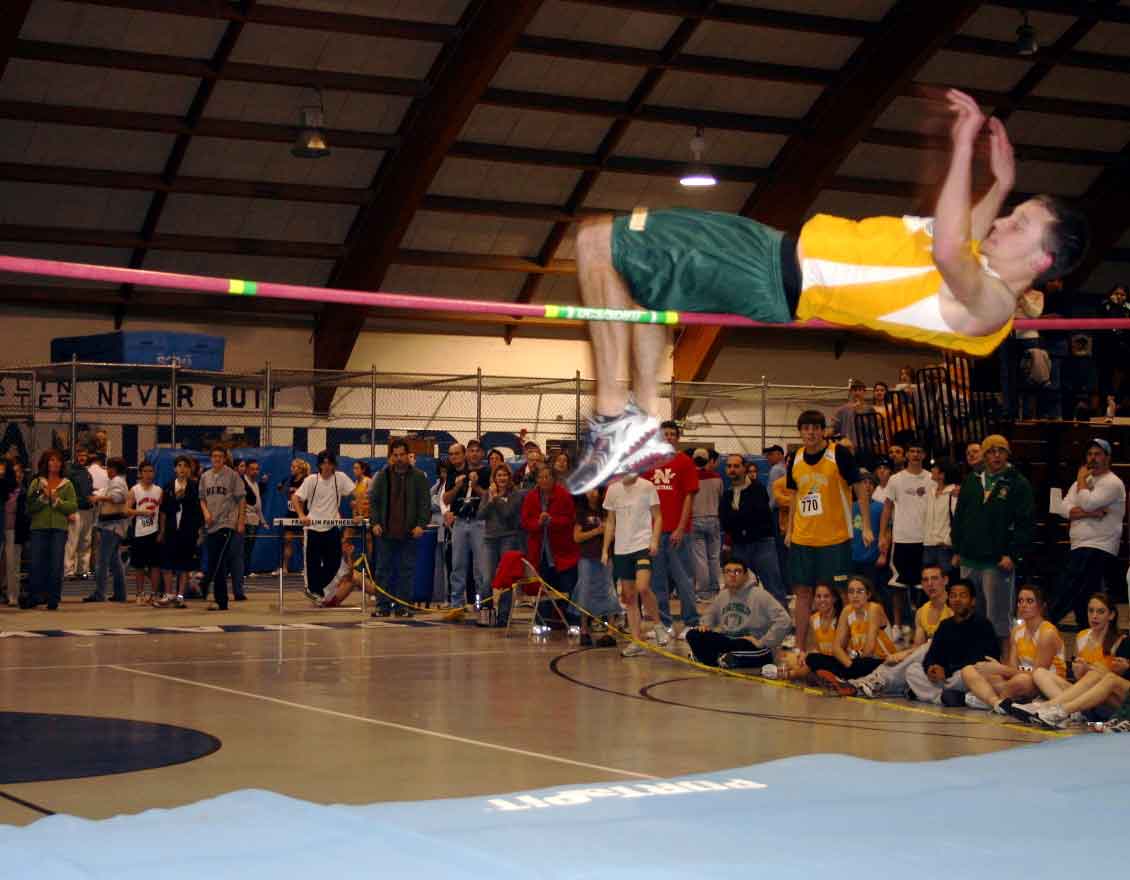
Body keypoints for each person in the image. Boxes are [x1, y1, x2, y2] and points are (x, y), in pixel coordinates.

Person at [568, 90, 1088, 496]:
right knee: (631, 284)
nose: (1003, 222)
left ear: (1041, 262)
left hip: (767, 273)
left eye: (1020, 225)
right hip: (769, 250)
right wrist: (998, 183)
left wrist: (963, 147)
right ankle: (639, 420)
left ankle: (616, 420)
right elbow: (965, 235)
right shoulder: (982, 269)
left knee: (596, 244)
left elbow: (951, 248)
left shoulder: (993, 306)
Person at [785, 409, 872, 652]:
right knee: (803, 593)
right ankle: (800, 647)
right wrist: (789, 529)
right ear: (800, 432)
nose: (811, 433)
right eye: (806, 429)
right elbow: (794, 496)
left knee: (843, 593)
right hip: (803, 538)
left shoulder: (839, 454)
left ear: (823, 431)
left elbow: (860, 489)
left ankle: (850, 646)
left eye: (815, 428)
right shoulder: (795, 458)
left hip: (835, 539)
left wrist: (866, 526)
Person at [951, 434, 1034, 650]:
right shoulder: (972, 480)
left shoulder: (1018, 483)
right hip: (969, 558)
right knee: (969, 615)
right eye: (991, 451)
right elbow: (959, 516)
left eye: (1001, 451)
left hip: (997, 561)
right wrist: (957, 548)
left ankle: (1003, 660)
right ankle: (972, 657)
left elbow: (1025, 523)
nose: (996, 456)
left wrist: (1013, 554)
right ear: (984, 455)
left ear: (1008, 454)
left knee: (998, 619)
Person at [1049, 438, 1125, 627]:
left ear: (1107, 458)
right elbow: (1062, 508)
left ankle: (1045, 623)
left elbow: (1087, 502)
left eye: (1098, 454)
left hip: (1099, 546)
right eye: (1090, 454)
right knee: (1083, 598)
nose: (1092, 458)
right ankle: (1086, 633)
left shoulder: (1113, 483)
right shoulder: (1080, 483)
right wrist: (1090, 513)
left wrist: (1082, 482)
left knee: (1069, 588)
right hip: (1079, 545)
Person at [849, 563, 953, 698]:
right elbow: (917, 647)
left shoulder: (954, 606)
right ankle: (867, 683)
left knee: (929, 645)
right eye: (925, 580)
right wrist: (901, 655)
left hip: (950, 661)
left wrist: (905, 654)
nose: (930, 584)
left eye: (934, 578)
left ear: (945, 580)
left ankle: (875, 681)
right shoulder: (921, 612)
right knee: (907, 666)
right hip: (929, 660)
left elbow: (943, 645)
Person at [961, 585, 1065, 715]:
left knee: (1023, 681)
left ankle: (987, 697)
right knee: (968, 670)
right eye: (1020, 601)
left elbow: (1038, 675)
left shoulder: (1047, 632)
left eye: (1029, 601)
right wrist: (996, 669)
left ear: (1042, 606)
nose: (1023, 605)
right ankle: (997, 703)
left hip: (1043, 685)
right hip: (1015, 682)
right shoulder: (1017, 631)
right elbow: (1012, 669)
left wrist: (1001, 669)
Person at [643, 421, 701, 637]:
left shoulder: (684, 462)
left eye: (672, 434)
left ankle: (691, 623)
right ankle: (664, 625)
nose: (668, 437)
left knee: (684, 579)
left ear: (677, 438)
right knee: (657, 581)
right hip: (654, 533)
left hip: (678, 532)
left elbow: (689, 497)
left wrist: (680, 528)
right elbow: (644, 498)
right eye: (664, 434)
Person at [904, 579, 1000, 705]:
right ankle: (945, 697)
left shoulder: (983, 624)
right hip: (943, 678)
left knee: (967, 673)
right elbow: (932, 654)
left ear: (972, 601)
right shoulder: (945, 625)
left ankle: (933, 694)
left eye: (962, 596)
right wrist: (931, 668)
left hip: (964, 676)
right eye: (953, 596)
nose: (957, 600)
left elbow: (980, 659)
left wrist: (946, 671)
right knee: (913, 670)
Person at [686, 556, 791, 670]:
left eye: (737, 571)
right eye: (728, 571)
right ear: (724, 575)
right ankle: (719, 659)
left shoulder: (760, 595)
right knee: (693, 634)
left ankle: (713, 658)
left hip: (750, 642)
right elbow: (710, 614)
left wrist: (763, 642)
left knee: (751, 650)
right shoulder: (723, 595)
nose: (732, 575)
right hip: (729, 639)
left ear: (745, 576)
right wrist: (706, 625)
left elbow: (784, 620)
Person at [602, 470, 663, 657]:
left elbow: (658, 517)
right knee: (629, 597)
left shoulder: (647, 486)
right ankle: (636, 641)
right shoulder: (612, 490)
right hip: (621, 549)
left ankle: (658, 624)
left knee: (642, 587)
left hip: (642, 545)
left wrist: (654, 540)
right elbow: (610, 522)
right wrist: (605, 549)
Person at [368, 441, 430, 617]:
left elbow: (424, 504)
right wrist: (375, 523)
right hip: (385, 531)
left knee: (406, 571)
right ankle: (382, 606)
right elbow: (374, 502)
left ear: (408, 455)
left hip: (409, 532)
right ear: (391, 456)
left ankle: (403, 607)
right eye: (395, 455)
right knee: (382, 570)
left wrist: (421, 525)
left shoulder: (419, 477)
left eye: (402, 455)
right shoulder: (382, 476)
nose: (399, 458)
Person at [877, 438, 931, 637]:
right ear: (906, 455)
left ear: (924, 455)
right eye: (912, 451)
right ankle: (897, 626)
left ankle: (921, 627)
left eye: (919, 451)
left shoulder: (931, 479)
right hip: (901, 540)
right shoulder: (896, 479)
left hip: (925, 540)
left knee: (923, 587)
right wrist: (882, 535)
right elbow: (887, 508)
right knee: (898, 585)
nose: (915, 455)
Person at [805, 575, 896, 691]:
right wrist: (849, 665)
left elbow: (869, 649)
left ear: (868, 595)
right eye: (851, 592)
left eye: (860, 592)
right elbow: (836, 648)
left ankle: (842, 678)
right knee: (812, 658)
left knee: (862, 664)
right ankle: (845, 679)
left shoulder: (874, 608)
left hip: (880, 661)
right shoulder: (847, 611)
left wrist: (852, 666)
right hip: (855, 663)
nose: (855, 596)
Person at [720, 453, 785, 605]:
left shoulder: (757, 489)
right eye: (729, 466)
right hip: (739, 546)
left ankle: (782, 617)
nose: (732, 469)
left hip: (762, 544)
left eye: (736, 466)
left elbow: (758, 516)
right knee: (738, 588)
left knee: (773, 586)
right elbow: (725, 521)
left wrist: (737, 516)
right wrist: (740, 517)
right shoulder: (727, 494)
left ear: (744, 468)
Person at [520, 465, 578, 622]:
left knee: (567, 587)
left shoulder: (563, 495)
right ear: (537, 480)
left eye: (547, 477)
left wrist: (552, 521)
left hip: (563, 551)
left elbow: (570, 519)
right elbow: (525, 522)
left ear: (554, 479)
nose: (544, 480)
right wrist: (538, 522)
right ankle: (544, 622)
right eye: (541, 477)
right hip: (540, 552)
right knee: (544, 588)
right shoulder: (531, 497)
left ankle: (571, 622)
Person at [24, 449, 77, 610]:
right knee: (36, 563)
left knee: (56, 564)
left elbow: (72, 506)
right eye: (52, 460)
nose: (55, 463)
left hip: (59, 529)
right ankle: (34, 596)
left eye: (58, 460)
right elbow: (30, 507)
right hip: (39, 528)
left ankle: (53, 598)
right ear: (46, 463)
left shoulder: (67, 484)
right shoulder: (36, 483)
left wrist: (57, 501)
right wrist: (43, 498)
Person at [200, 446, 248, 611]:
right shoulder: (205, 476)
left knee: (219, 560)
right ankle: (205, 587)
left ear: (225, 459)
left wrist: (240, 521)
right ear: (211, 458)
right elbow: (202, 498)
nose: (217, 459)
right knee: (214, 560)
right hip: (211, 524)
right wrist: (206, 513)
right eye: (214, 456)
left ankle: (220, 599)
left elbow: (241, 499)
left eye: (220, 456)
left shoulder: (233, 476)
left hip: (227, 523)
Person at [444, 441, 491, 609]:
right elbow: (446, 499)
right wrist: (457, 486)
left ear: (482, 454)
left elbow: (489, 497)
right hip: (460, 522)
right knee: (457, 565)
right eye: (471, 451)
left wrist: (475, 486)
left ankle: (481, 604)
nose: (474, 454)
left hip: (480, 522)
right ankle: (456, 604)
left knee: (481, 568)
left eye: (477, 451)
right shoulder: (455, 474)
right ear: (466, 454)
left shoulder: (488, 472)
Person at [572, 486, 618, 647]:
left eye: (595, 490)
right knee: (584, 591)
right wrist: (597, 531)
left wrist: (608, 533)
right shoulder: (581, 513)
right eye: (588, 490)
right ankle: (584, 629)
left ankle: (611, 630)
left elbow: (614, 534)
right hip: (587, 557)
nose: (592, 493)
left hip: (605, 558)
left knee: (608, 590)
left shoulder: (606, 511)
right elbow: (577, 537)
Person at [155, 454, 202, 608]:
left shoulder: (195, 487)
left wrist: (198, 530)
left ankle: (180, 596)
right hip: (170, 530)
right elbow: (163, 511)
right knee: (167, 564)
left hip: (187, 531)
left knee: (184, 565)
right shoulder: (168, 486)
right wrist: (162, 531)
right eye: (179, 466)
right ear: (175, 469)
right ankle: (168, 594)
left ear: (190, 469)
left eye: (185, 466)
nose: (182, 469)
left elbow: (198, 511)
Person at [86, 456, 128, 603]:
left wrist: (99, 498)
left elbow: (118, 497)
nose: (107, 470)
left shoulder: (117, 481)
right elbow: (111, 493)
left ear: (114, 469)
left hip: (111, 525)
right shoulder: (118, 481)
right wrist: (99, 494)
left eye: (109, 468)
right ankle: (120, 594)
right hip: (114, 526)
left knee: (102, 561)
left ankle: (100, 593)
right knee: (115, 561)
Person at [779, 583, 841, 682]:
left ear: (834, 599)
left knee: (812, 662)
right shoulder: (813, 619)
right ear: (814, 599)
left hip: (836, 663)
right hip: (819, 661)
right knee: (788, 657)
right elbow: (813, 648)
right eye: (818, 596)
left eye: (826, 596)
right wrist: (803, 656)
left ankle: (791, 674)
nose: (822, 600)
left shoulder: (840, 618)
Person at [126, 460, 163, 604]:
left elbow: (162, 513)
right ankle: (139, 594)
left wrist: (162, 531)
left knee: (155, 565)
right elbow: (126, 510)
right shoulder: (135, 490)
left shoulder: (158, 490)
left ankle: (154, 594)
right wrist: (141, 512)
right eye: (145, 471)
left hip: (154, 531)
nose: (148, 474)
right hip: (139, 532)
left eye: (151, 471)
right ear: (140, 473)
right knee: (139, 566)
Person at [690, 447, 723, 598]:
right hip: (713, 518)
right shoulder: (717, 478)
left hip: (695, 519)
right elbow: (720, 496)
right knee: (714, 556)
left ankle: (703, 591)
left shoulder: (690, 477)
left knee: (700, 557)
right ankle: (715, 587)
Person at [922, 457, 960, 575]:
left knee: (946, 580)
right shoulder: (931, 491)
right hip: (928, 545)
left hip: (944, 547)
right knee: (929, 581)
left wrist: (947, 540)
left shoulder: (954, 492)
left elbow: (958, 520)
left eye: (935, 468)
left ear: (942, 474)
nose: (932, 470)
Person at [850, 469, 884, 598]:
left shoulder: (880, 507)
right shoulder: (851, 506)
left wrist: (883, 555)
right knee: (853, 592)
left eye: (871, 483)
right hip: (853, 557)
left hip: (872, 558)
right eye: (864, 482)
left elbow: (886, 532)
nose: (868, 486)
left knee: (872, 593)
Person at [63, 447, 95, 579]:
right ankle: (68, 571)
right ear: (75, 456)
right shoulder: (69, 472)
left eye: (85, 455)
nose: (82, 458)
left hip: (87, 509)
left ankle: (83, 570)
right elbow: (65, 492)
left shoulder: (87, 472)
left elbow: (88, 490)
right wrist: (68, 511)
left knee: (86, 541)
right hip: (75, 509)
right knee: (72, 541)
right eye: (80, 455)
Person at [2, 459, 28, 605]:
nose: (17, 474)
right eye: (14, 472)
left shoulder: (23, 491)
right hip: (2, 529)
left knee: (13, 565)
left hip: (15, 531)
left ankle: (13, 595)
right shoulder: (4, 489)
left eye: (19, 471)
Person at [280, 458, 310, 574]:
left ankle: (306, 567)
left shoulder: (306, 480)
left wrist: (296, 491)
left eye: (294, 467)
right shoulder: (290, 479)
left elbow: (307, 494)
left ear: (300, 469)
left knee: (304, 542)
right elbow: (282, 489)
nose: (291, 469)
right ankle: (285, 567)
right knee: (287, 540)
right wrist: (285, 489)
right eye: (291, 466)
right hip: (291, 513)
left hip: (303, 513)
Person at [831, 379, 874, 452]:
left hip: (864, 447)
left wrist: (859, 412)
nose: (857, 392)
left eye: (860, 390)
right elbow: (834, 428)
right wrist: (828, 430)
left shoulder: (870, 409)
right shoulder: (842, 409)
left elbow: (872, 430)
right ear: (851, 392)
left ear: (864, 392)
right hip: (846, 447)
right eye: (855, 390)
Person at [240, 458, 266, 576]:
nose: (255, 471)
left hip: (254, 520)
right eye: (252, 469)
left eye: (257, 469)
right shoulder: (242, 482)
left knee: (249, 547)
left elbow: (258, 505)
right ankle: (240, 571)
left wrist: (262, 520)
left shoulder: (255, 484)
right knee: (243, 547)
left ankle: (245, 570)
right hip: (244, 519)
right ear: (246, 470)